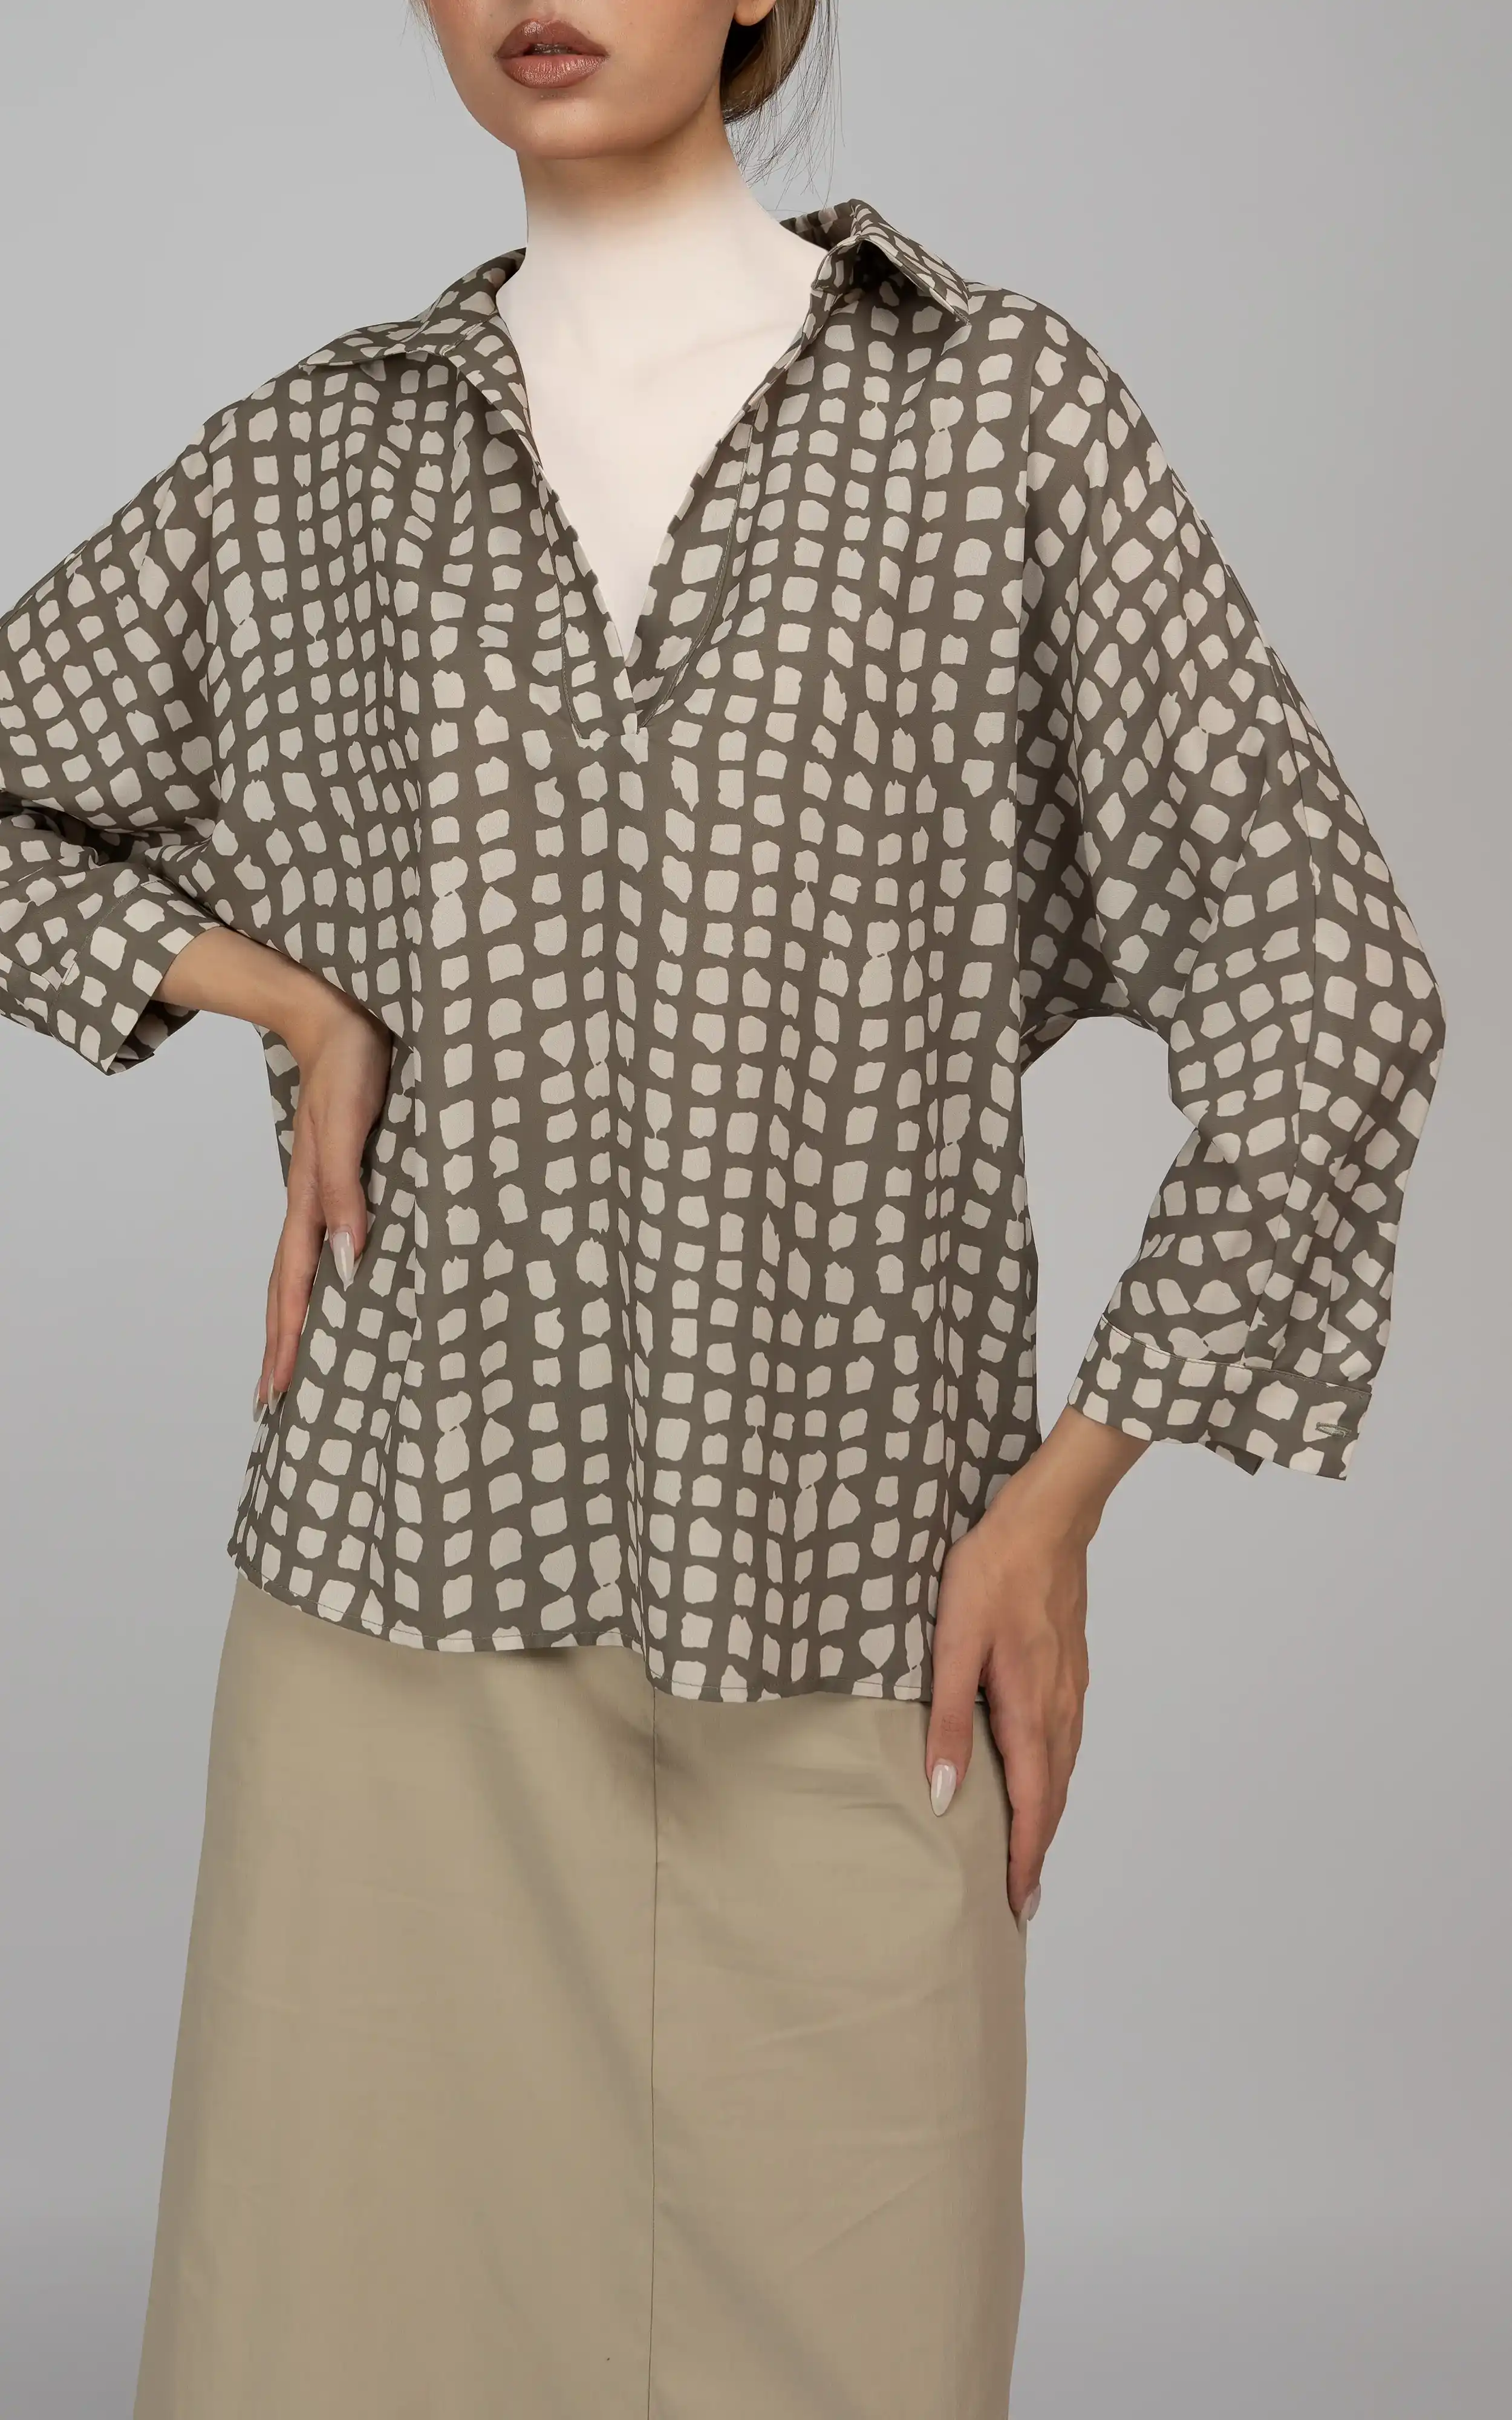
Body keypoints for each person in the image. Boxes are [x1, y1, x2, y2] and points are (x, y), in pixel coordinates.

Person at [0, 4, 1444, 2415]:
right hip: (396, 1639)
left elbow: (1331, 982)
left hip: (855, 1619)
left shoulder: (1001, 419)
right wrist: (277, 994)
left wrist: (1063, 1494)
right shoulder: (323, 460)